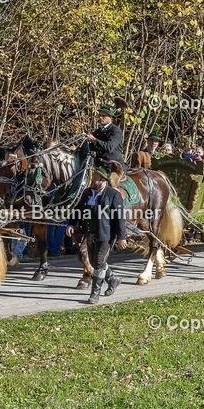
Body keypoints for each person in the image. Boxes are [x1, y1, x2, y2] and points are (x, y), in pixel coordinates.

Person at [65, 166, 128, 304]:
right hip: (90, 233)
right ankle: (112, 279)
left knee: (98, 263)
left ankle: (95, 293)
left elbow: (120, 217)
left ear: (105, 180)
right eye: (94, 178)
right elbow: (78, 210)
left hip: (106, 235)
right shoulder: (87, 192)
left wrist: (122, 236)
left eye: (98, 179)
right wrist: (71, 224)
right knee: (94, 262)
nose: (95, 181)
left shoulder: (113, 195)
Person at [87, 105, 124, 180]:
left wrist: (94, 140)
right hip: (98, 165)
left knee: (108, 186)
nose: (100, 117)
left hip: (113, 166)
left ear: (111, 118)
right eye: (100, 115)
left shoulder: (116, 131)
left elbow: (109, 147)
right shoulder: (98, 131)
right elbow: (91, 147)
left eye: (103, 116)